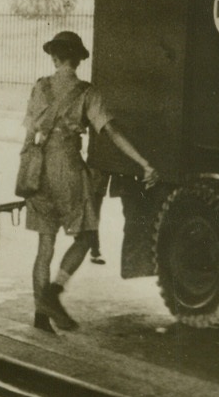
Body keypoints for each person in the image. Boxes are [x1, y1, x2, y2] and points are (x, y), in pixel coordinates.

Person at [22, 31, 158, 332]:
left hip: (39, 167)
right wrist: (143, 162)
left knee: (45, 246)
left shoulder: (40, 87)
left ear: (55, 57)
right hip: (68, 167)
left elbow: (29, 135)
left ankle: (41, 315)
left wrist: (27, 174)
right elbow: (111, 132)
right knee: (85, 236)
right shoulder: (86, 92)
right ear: (78, 60)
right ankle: (54, 292)